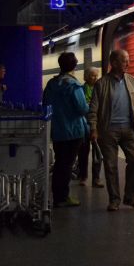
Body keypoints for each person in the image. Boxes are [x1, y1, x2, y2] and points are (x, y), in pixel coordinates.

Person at [88, 49, 134, 211]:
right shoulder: (102, 84)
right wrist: (93, 128)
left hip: (129, 129)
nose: (128, 63)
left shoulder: (133, 81)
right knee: (111, 165)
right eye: (124, 60)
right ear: (113, 63)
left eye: (128, 60)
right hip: (108, 130)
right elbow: (93, 109)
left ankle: (130, 196)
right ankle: (114, 200)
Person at [41, 52, 89, 208]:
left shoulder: (51, 84)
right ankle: (63, 197)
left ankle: (57, 196)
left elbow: (45, 105)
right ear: (74, 66)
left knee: (60, 163)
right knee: (67, 165)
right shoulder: (73, 85)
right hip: (73, 131)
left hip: (57, 131)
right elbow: (82, 108)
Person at [74, 67, 103, 188]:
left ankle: (96, 178)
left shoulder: (101, 89)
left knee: (98, 154)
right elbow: (82, 107)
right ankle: (83, 176)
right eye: (92, 75)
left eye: (97, 75)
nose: (95, 78)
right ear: (85, 77)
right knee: (83, 152)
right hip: (85, 126)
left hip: (98, 125)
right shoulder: (81, 89)